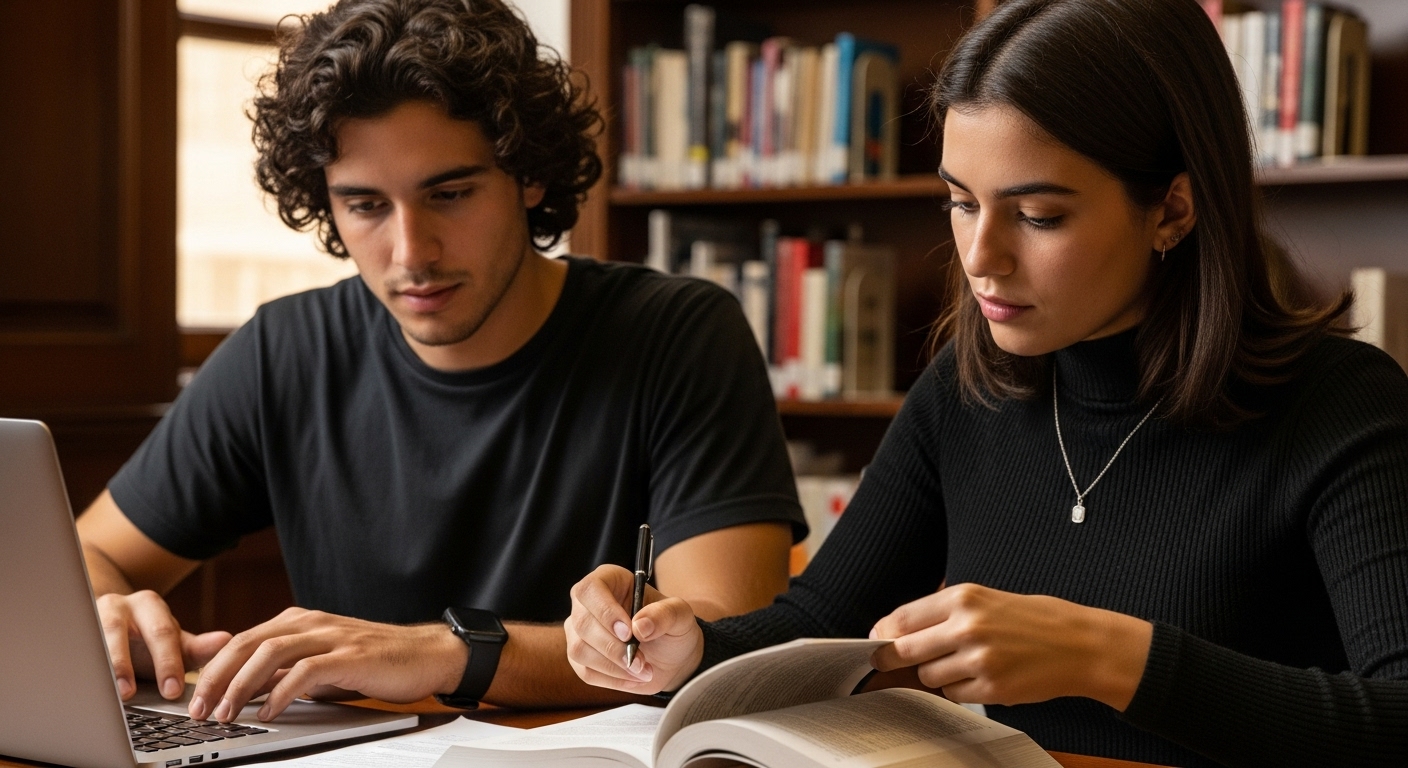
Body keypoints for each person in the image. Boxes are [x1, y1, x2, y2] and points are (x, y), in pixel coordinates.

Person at [564, 1, 1408, 766]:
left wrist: (1107, 658)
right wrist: (690, 645)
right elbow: (821, 621)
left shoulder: (1341, 406)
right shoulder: (965, 390)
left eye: (1039, 216)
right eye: (961, 203)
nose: (980, 260)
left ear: (1173, 210)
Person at [78, 0, 805, 725]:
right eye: (364, 205)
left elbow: (721, 642)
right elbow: (88, 552)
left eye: (450, 194)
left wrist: (449, 653)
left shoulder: (678, 335)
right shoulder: (284, 350)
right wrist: (109, 612)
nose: (410, 253)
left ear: (530, 176)